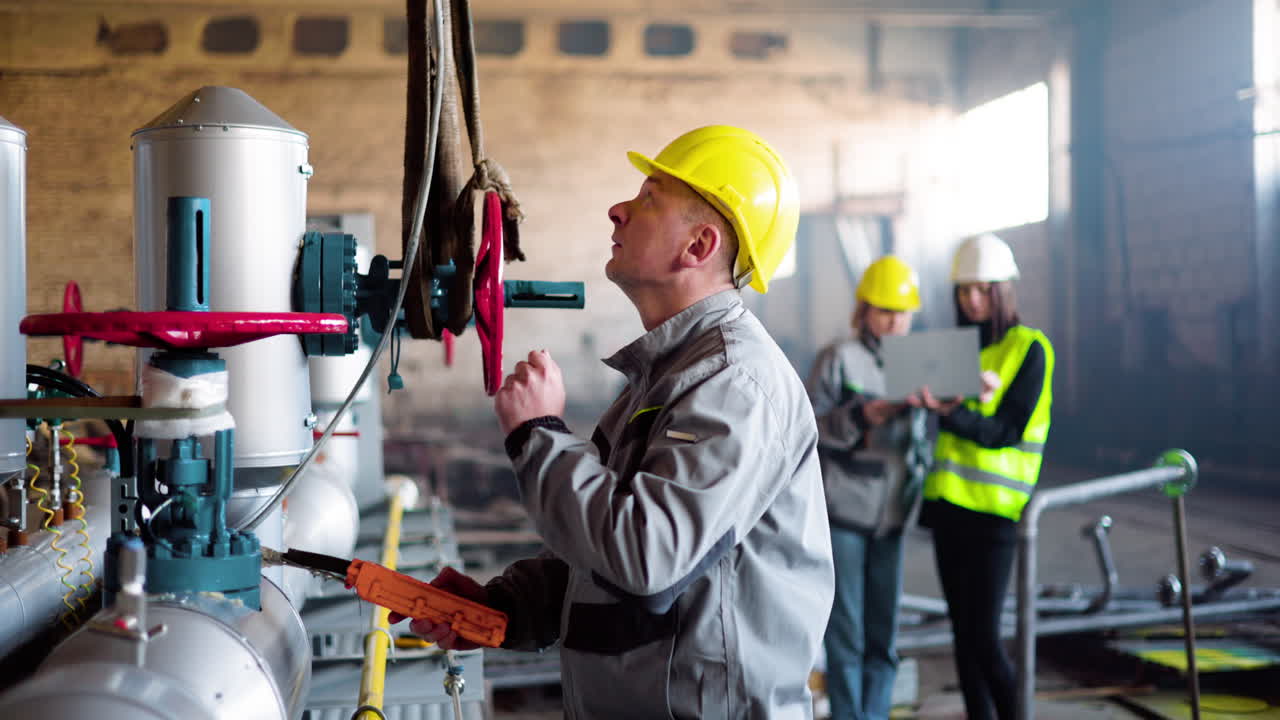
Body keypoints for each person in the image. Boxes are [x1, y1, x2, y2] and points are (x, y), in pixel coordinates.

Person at [391, 125, 835, 719]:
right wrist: (506, 607)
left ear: (698, 247)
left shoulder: (736, 385)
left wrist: (539, 436)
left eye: (649, 198)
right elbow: (602, 557)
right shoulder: (671, 375)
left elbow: (646, 558)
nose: (618, 210)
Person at [908, 233, 1054, 720]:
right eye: (962, 290)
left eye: (981, 289)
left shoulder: (1030, 349)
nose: (970, 299)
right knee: (963, 636)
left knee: (986, 638)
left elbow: (1008, 430)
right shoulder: (957, 350)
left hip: (994, 515)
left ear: (1002, 290)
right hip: (950, 508)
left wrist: (949, 414)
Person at [806, 255, 931, 720]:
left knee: (884, 635)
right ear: (865, 310)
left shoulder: (922, 361)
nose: (895, 322)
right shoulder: (839, 357)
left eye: (902, 313)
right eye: (884, 311)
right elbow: (810, 427)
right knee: (848, 633)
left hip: (895, 512)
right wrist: (864, 416)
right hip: (847, 509)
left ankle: (873, 715)